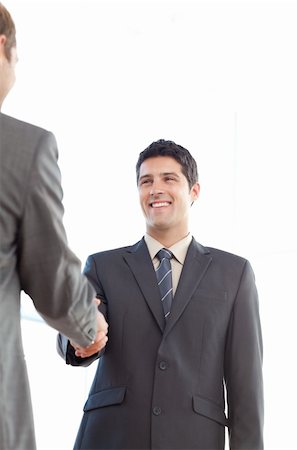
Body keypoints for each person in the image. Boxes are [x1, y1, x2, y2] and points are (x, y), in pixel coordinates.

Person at [58, 139, 264, 449]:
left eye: (169, 179)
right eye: (146, 181)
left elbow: (246, 387)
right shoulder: (103, 266)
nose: (156, 189)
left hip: (193, 438)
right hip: (111, 436)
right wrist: (78, 338)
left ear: (194, 191)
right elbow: (80, 323)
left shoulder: (234, 273)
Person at [0, 4, 108, 450]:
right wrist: (89, 327)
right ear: (1, 47)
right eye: (18, 62)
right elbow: (55, 282)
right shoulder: (23, 148)